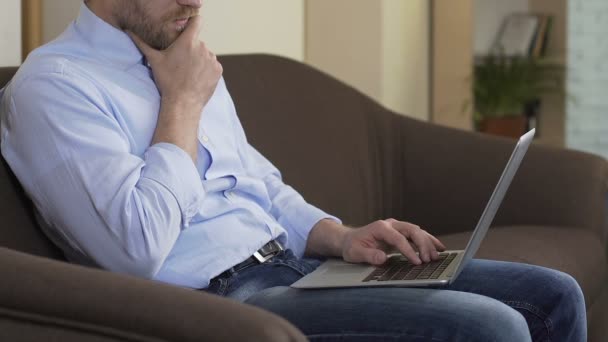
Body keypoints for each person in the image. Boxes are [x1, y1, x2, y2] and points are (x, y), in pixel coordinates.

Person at [0, 1, 586, 341]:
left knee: (554, 295)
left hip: (295, 265)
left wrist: (339, 235)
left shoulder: (186, 57)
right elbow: (135, 248)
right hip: (220, 302)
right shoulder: (53, 89)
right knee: (491, 328)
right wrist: (180, 104)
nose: (195, 2)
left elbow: (256, 180)